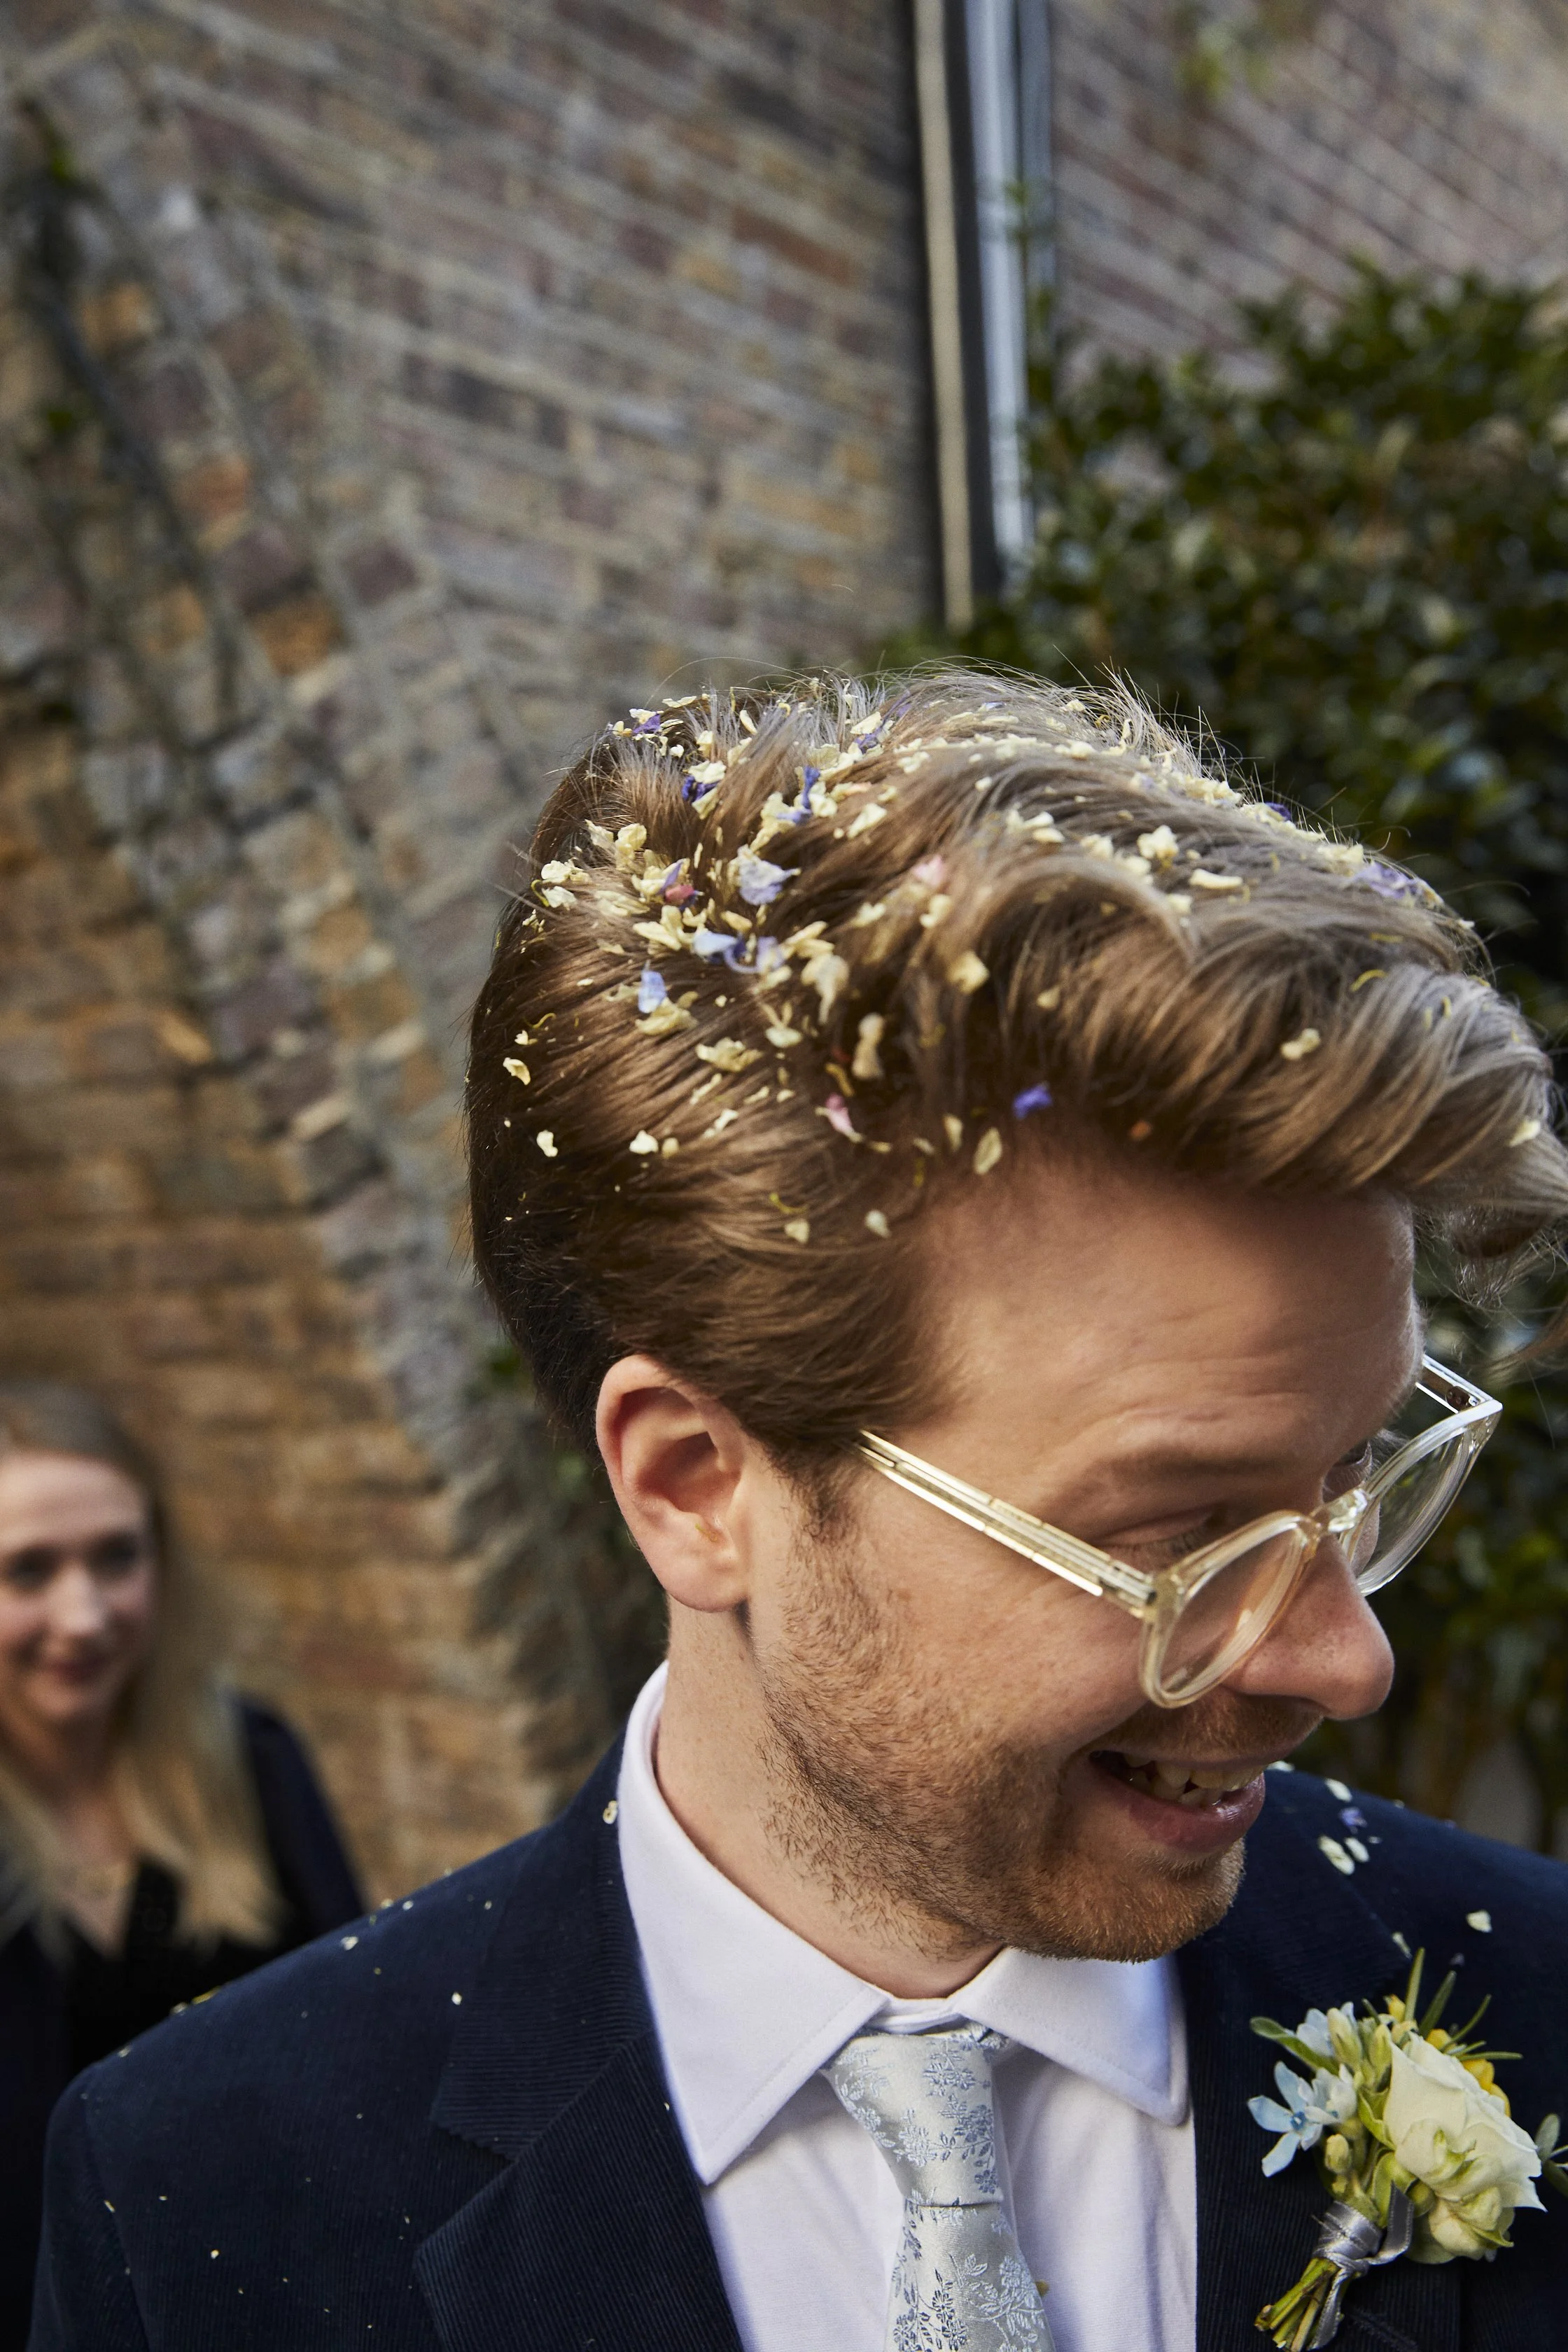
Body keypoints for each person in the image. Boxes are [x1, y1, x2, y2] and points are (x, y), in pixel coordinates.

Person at [30, 673, 1568, 2352]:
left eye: (1355, 1479)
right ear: (696, 1485)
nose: (1348, 1661)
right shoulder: (205, 2187)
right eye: (1175, 1531)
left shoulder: (1539, 2000)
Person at [0, 1385, 361, 2351]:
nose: (83, 1616)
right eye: (27, 1572)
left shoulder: (250, 1762)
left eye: (115, 1557)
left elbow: (360, 2042)